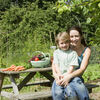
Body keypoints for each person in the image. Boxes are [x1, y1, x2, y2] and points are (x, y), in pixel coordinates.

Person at [52, 26, 91, 100]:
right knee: (61, 92)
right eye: (71, 36)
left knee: (79, 90)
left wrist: (68, 76)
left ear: (81, 36)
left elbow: (82, 68)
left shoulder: (86, 50)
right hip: (61, 76)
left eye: (76, 36)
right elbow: (55, 63)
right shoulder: (65, 47)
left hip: (75, 77)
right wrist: (55, 74)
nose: (74, 39)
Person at [52, 31, 80, 100]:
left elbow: (72, 67)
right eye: (62, 43)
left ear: (69, 42)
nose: (64, 45)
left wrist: (66, 76)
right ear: (58, 44)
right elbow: (56, 65)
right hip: (59, 77)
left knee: (71, 93)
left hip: (70, 76)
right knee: (58, 93)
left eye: (66, 42)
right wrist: (59, 75)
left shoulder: (73, 53)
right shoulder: (56, 53)